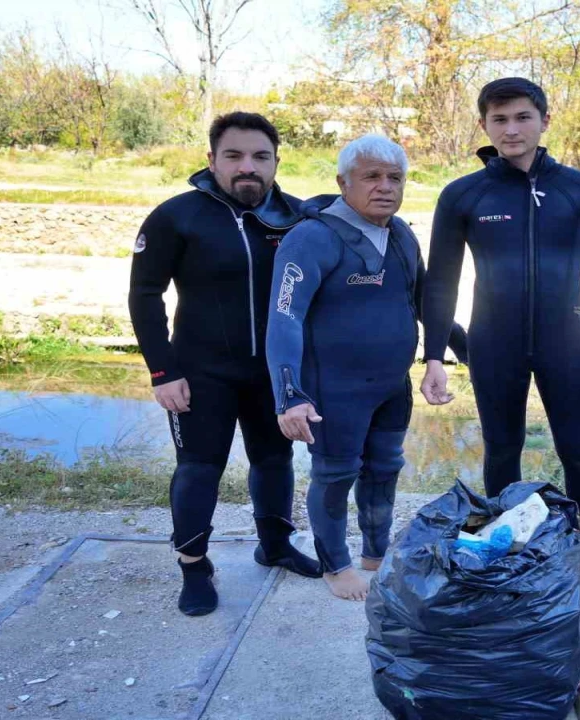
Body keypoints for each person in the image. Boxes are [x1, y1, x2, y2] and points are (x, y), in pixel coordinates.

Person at [420, 77, 580, 592]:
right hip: (494, 342)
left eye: (522, 117)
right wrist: (431, 356)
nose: (511, 129)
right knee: (501, 448)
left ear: (544, 120)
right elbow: (441, 280)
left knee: (579, 450)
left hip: (568, 341)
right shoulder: (463, 195)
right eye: (500, 119)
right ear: (484, 125)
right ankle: (509, 540)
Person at [129, 112, 320, 617]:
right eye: (233, 156)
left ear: (276, 162)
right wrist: (163, 372)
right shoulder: (176, 217)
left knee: (276, 462)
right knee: (198, 470)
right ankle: (194, 567)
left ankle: (275, 546)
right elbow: (145, 294)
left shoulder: (298, 218)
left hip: (272, 375)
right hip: (200, 372)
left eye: (260, 157)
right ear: (211, 160)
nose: (247, 168)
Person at [265, 134, 467, 601]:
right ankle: (335, 567)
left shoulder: (400, 235)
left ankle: (376, 555)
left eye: (395, 177)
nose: (385, 186)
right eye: (371, 176)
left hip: (390, 388)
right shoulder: (312, 237)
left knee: (384, 470)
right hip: (334, 391)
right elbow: (284, 317)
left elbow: (427, 302)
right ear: (343, 182)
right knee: (335, 476)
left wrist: (469, 352)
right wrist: (289, 394)